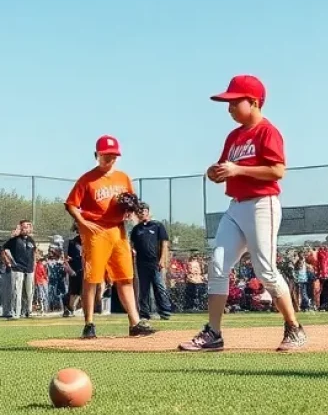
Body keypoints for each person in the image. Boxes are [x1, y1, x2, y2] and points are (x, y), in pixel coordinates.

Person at [180, 75, 307, 353]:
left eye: (234, 102)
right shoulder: (234, 137)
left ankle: (294, 327)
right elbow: (226, 168)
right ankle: (213, 333)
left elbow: (277, 171)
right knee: (217, 265)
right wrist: (216, 172)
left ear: (254, 102)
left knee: (265, 270)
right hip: (236, 206)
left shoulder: (267, 132)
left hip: (263, 204)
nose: (229, 107)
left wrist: (239, 170)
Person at [64, 134, 156, 340]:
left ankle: (135, 323)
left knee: (125, 277)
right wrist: (83, 222)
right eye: (106, 155)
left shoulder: (123, 178)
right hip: (96, 232)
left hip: (118, 231)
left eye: (114, 155)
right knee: (93, 279)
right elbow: (71, 204)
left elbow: (131, 203)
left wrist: (129, 212)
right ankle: (89, 323)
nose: (110, 159)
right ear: (97, 155)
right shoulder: (87, 179)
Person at [130, 203, 172, 320]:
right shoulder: (136, 229)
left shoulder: (157, 225)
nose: (142, 212)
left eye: (144, 210)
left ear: (148, 211)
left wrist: (162, 259)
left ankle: (165, 311)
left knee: (159, 286)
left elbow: (164, 243)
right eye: (139, 211)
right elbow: (132, 244)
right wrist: (132, 251)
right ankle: (144, 313)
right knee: (143, 289)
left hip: (155, 262)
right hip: (141, 263)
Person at [2, 219, 37, 320]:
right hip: (18, 268)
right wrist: (9, 262)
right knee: (17, 291)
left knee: (29, 292)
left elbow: (34, 252)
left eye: (27, 226)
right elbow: (4, 248)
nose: (25, 229)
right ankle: (15, 312)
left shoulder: (31, 240)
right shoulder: (15, 239)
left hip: (29, 268)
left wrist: (34, 264)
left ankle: (27, 311)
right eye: (23, 227)